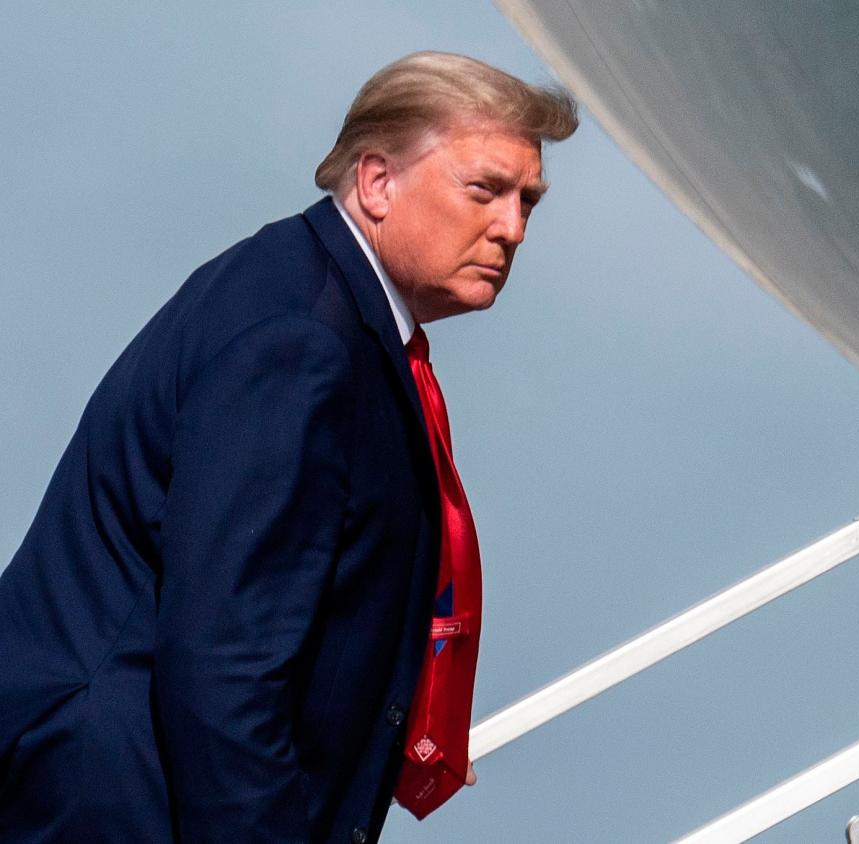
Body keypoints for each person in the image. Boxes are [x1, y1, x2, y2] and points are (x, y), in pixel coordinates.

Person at [0, 52, 577, 843]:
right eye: (485, 190)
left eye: (528, 202)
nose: (511, 228)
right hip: (118, 806)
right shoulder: (299, 341)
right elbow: (225, 658)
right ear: (376, 182)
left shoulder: (316, 304)